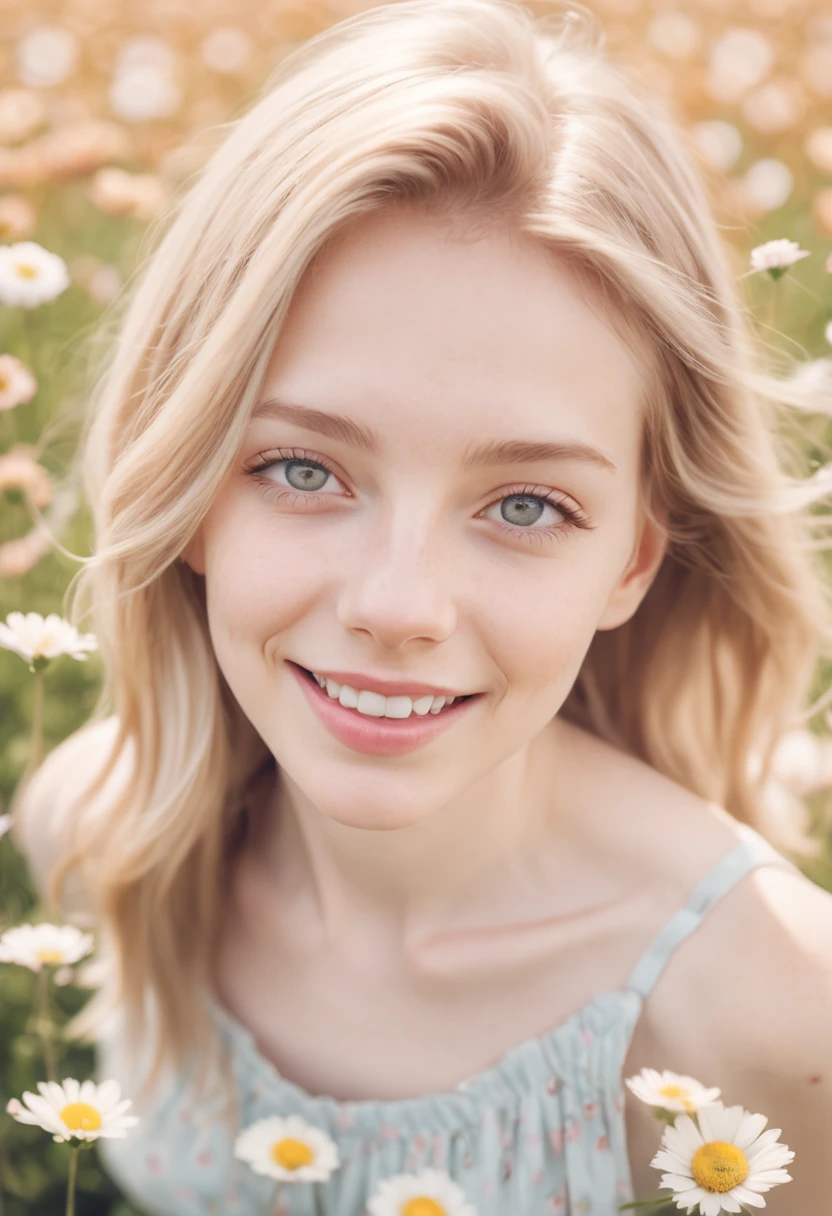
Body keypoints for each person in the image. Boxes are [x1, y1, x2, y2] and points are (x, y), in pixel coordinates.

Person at [11, 1, 832, 1213]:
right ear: (187, 493)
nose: (399, 606)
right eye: (303, 470)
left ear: (632, 561)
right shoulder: (95, 836)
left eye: (526, 505)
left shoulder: (769, 1019)